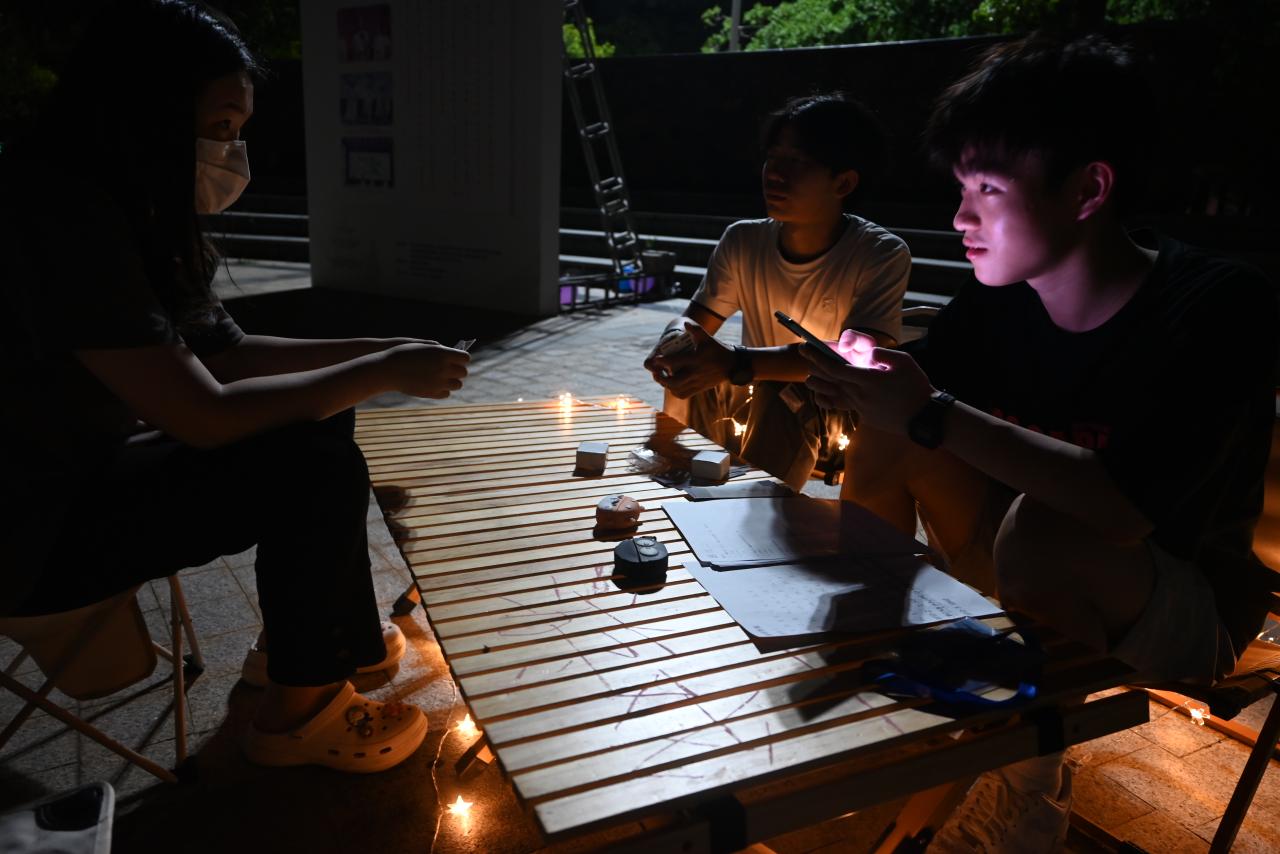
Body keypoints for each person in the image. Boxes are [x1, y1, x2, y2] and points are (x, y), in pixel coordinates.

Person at [802, 34, 1277, 851]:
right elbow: (913, 396)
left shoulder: (1216, 306)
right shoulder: (1005, 301)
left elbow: (1124, 512)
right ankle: (879, 666)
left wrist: (929, 411)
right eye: (961, 189)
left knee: (1043, 524)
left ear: (1088, 188)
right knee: (892, 438)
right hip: (1031, 565)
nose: (961, 218)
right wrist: (833, 373)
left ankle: (1025, 794)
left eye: (988, 189)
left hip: (1182, 600)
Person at [0, 1, 472, 774]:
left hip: (76, 473)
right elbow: (205, 414)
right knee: (308, 464)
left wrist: (389, 349)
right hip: (30, 529)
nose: (230, 151)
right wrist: (384, 371)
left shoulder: (118, 206)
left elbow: (231, 354)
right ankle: (301, 715)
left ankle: (303, 646)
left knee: (320, 417)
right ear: (146, 110)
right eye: (220, 126)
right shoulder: (55, 217)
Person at [644, 93, 911, 489]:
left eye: (797, 161)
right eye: (773, 157)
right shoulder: (743, 241)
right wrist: (673, 341)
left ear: (843, 182)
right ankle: (685, 478)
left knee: (782, 392)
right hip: (753, 398)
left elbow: (854, 361)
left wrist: (738, 362)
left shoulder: (880, 253)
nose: (775, 174)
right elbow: (694, 321)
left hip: (836, 413)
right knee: (696, 363)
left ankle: (752, 506)